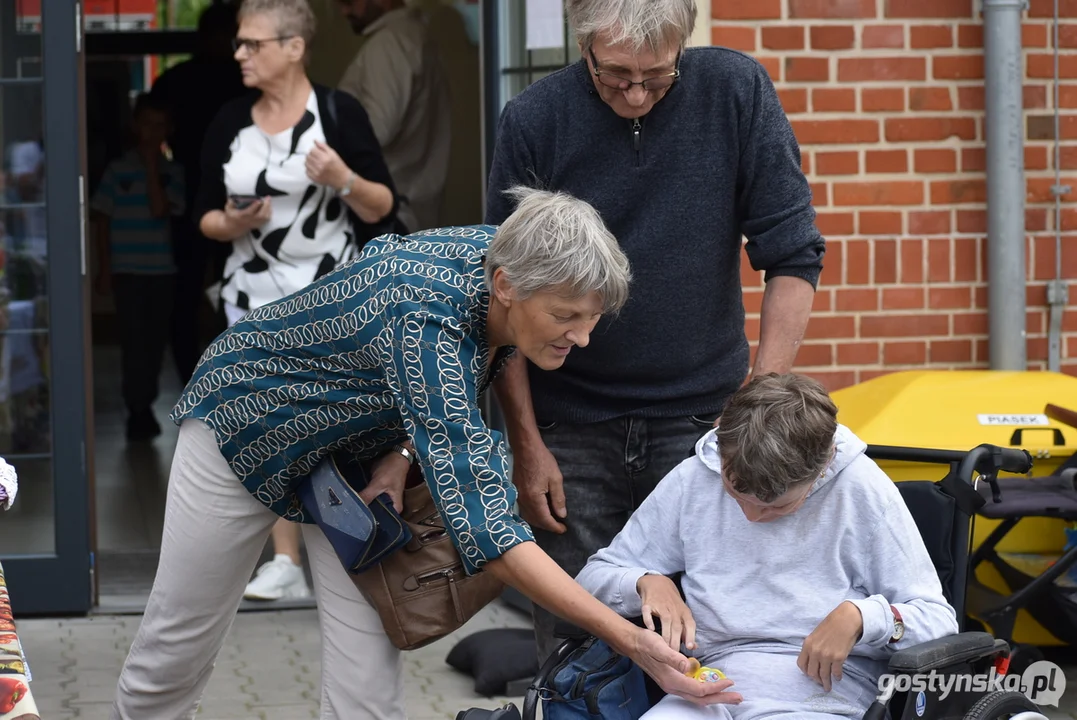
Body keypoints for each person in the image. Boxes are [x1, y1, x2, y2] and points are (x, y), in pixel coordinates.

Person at [109, 187, 735, 720]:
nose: (583, 336)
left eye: (592, 316)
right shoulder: (428, 322)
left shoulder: (518, 253)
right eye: (566, 317)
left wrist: (403, 452)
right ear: (506, 286)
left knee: (367, 686)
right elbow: (490, 532)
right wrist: (631, 640)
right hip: (245, 428)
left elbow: (454, 370)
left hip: (351, 465)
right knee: (177, 648)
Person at [484, 0, 828, 662]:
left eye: (657, 76)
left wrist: (758, 398)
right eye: (614, 74)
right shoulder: (533, 120)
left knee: (715, 627)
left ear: (683, 45)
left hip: (701, 420)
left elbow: (791, 251)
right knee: (579, 648)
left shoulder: (734, 90)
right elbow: (503, 303)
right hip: (570, 432)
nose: (636, 94)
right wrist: (525, 446)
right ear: (581, 42)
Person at [576, 373, 961, 720]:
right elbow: (592, 578)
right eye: (735, 492)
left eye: (776, 506)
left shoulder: (860, 488)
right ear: (722, 448)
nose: (750, 517)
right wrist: (645, 581)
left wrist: (862, 617)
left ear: (823, 465)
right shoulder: (696, 476)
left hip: (823, 698)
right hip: (707, 686)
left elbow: (937, 620)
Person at [192, 0, 399, 602]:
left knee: (331, 426)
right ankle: (283, 561)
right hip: (251, 302)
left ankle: (344, 555)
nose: (240, 54)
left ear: (294, 47)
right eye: (240, 43)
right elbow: (200, 213)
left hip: (331, 301)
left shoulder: (338, 114)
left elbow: (383, 206)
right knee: (270, 427)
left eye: (252, 44)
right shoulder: (230, 120)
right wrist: (228, 228)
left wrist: (342, 178)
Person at [149, 0, 247, 386]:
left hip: (189, 191)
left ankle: (193, 376)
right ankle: (229, 373)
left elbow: (151, 130)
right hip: (228, 194)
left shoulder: (177, 79)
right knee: (231, 285)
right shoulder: (244, 82)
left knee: (187, 291)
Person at [90, 93, 186, 441]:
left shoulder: (173, 173)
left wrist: (151, 167)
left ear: (169, 130)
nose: (152, 132)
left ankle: (146, 400)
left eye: (159, 126)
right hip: (127, 271)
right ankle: (137, 409)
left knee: (155, 342)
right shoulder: (117, 170)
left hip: (161, 271)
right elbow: (102, 220)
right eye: (146, 124)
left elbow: (162, 209)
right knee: (133, 341)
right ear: (135, 127)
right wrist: (104, 268)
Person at [336, 0, 452, 233]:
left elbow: (378, 128)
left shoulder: (388, 44)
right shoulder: (413, 35)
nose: (344, 11)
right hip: (413, 201)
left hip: (392, 210)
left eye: (349, 2)